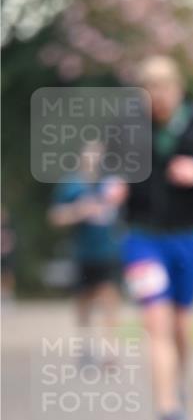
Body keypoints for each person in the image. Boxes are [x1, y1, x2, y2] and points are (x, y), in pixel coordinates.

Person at [122, 56, 193, 420]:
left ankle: (175, 386)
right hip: (141, 237)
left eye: (164, 90)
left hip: (187, 236)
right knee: (156, 322)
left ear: (177, 88)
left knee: (182, 324)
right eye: (150, 93)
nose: (158, 100)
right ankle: (168, 411)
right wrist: (114, 184)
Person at [48, 140, 124, 332]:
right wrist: (78, 211)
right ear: (82, 158)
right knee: (84, 299)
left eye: (99, 155)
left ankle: (109, 349)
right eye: (91, 155)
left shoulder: (112, 184)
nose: (95, 159)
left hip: (109, 251)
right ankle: (85, 343)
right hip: (83, 252)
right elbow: (55, 217)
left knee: (110, 296)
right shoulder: (71, 185)